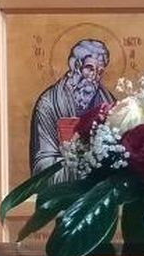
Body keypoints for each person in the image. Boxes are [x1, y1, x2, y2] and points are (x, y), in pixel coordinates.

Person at [29, 39, 114, 182]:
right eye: (89, 68)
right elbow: (42, 164)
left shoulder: (107, 100)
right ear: (76, 66)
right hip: (63, 186)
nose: (94, 77)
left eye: (99, 72)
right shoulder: (49, 104)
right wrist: (78, 164)